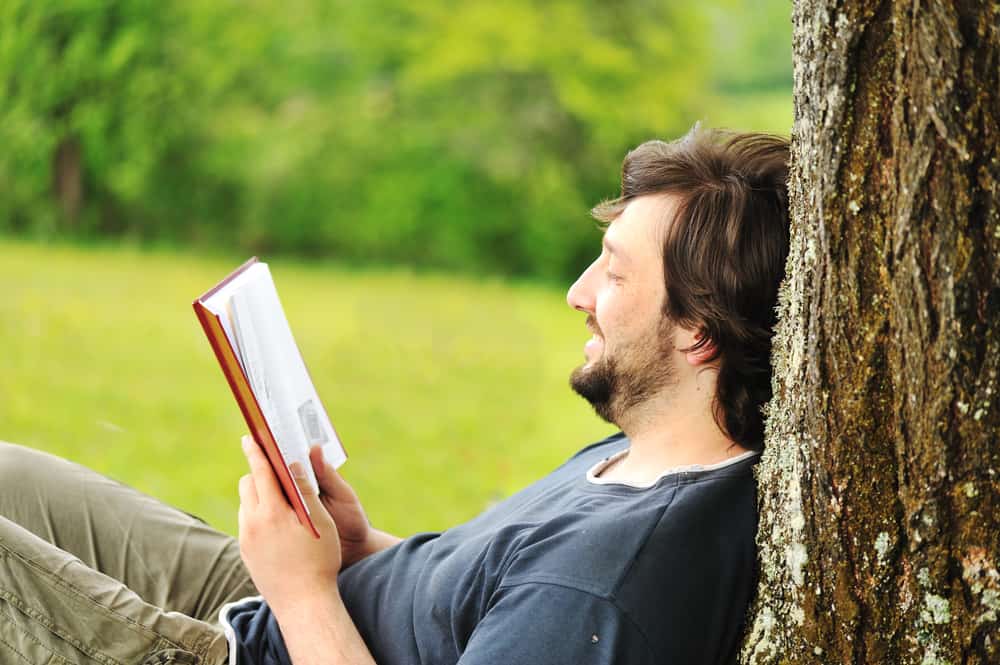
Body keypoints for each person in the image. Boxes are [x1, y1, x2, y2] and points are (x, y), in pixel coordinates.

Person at [0, 126, 790, 665]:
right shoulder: (653, 457)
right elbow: (485, 601)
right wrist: (359, 545)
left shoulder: (603, 584)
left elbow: (551, 598)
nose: (577, 291)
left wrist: (303, 590)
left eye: (615, 273)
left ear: (699, 334)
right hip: (293, 602)